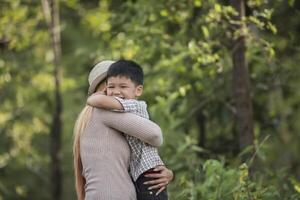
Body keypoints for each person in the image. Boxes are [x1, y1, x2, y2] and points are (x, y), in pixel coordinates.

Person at [73, 60, 173, 200]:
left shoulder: (90, 119)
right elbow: (155, 135)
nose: (117, 92)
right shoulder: (104, 112)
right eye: (112, 85)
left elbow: (128, 162)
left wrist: (163, 172)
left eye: (123, 85)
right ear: (104, 88)